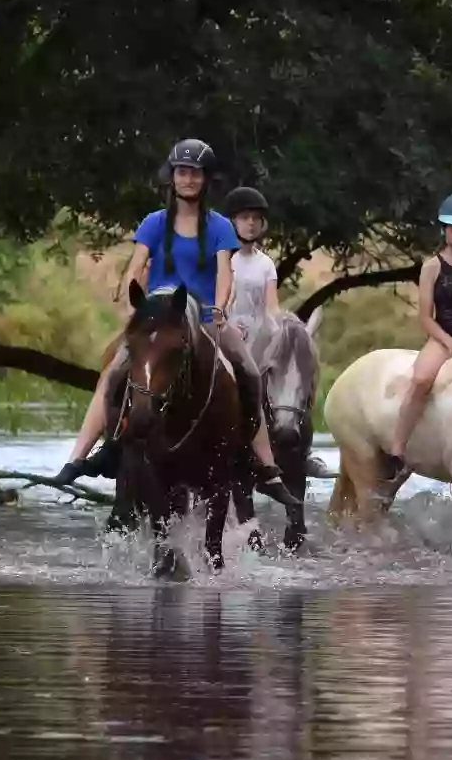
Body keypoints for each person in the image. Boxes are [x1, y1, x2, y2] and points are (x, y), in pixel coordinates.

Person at [55, 139, 299, 511]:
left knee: (247, 370)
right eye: (182, 172)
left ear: (205, 179)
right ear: (173, 177)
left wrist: (219, 308)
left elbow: (224, 274)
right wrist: (131, 305)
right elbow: (137, 267)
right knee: (115, 370)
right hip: (156, 316)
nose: (188, 179)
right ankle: (86, 455)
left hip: (203, 317)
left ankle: (264, 466)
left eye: (195, 173)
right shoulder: (154, 222)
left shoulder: (219, 226)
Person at [378, 193, 452, 479]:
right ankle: (397, 447)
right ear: (444, 229)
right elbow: (425, 317)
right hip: (443, 337)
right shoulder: (432, 267)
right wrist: (450, 343)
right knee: (420, 380)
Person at [222, 185, 280, 342]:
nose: (251, 223)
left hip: (258, 341)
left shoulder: (266, 264)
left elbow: (272, 307)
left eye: (256, 217)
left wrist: (279, 333)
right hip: (226, 338)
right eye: (244, 217)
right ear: (232, 222)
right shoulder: (222, 260)